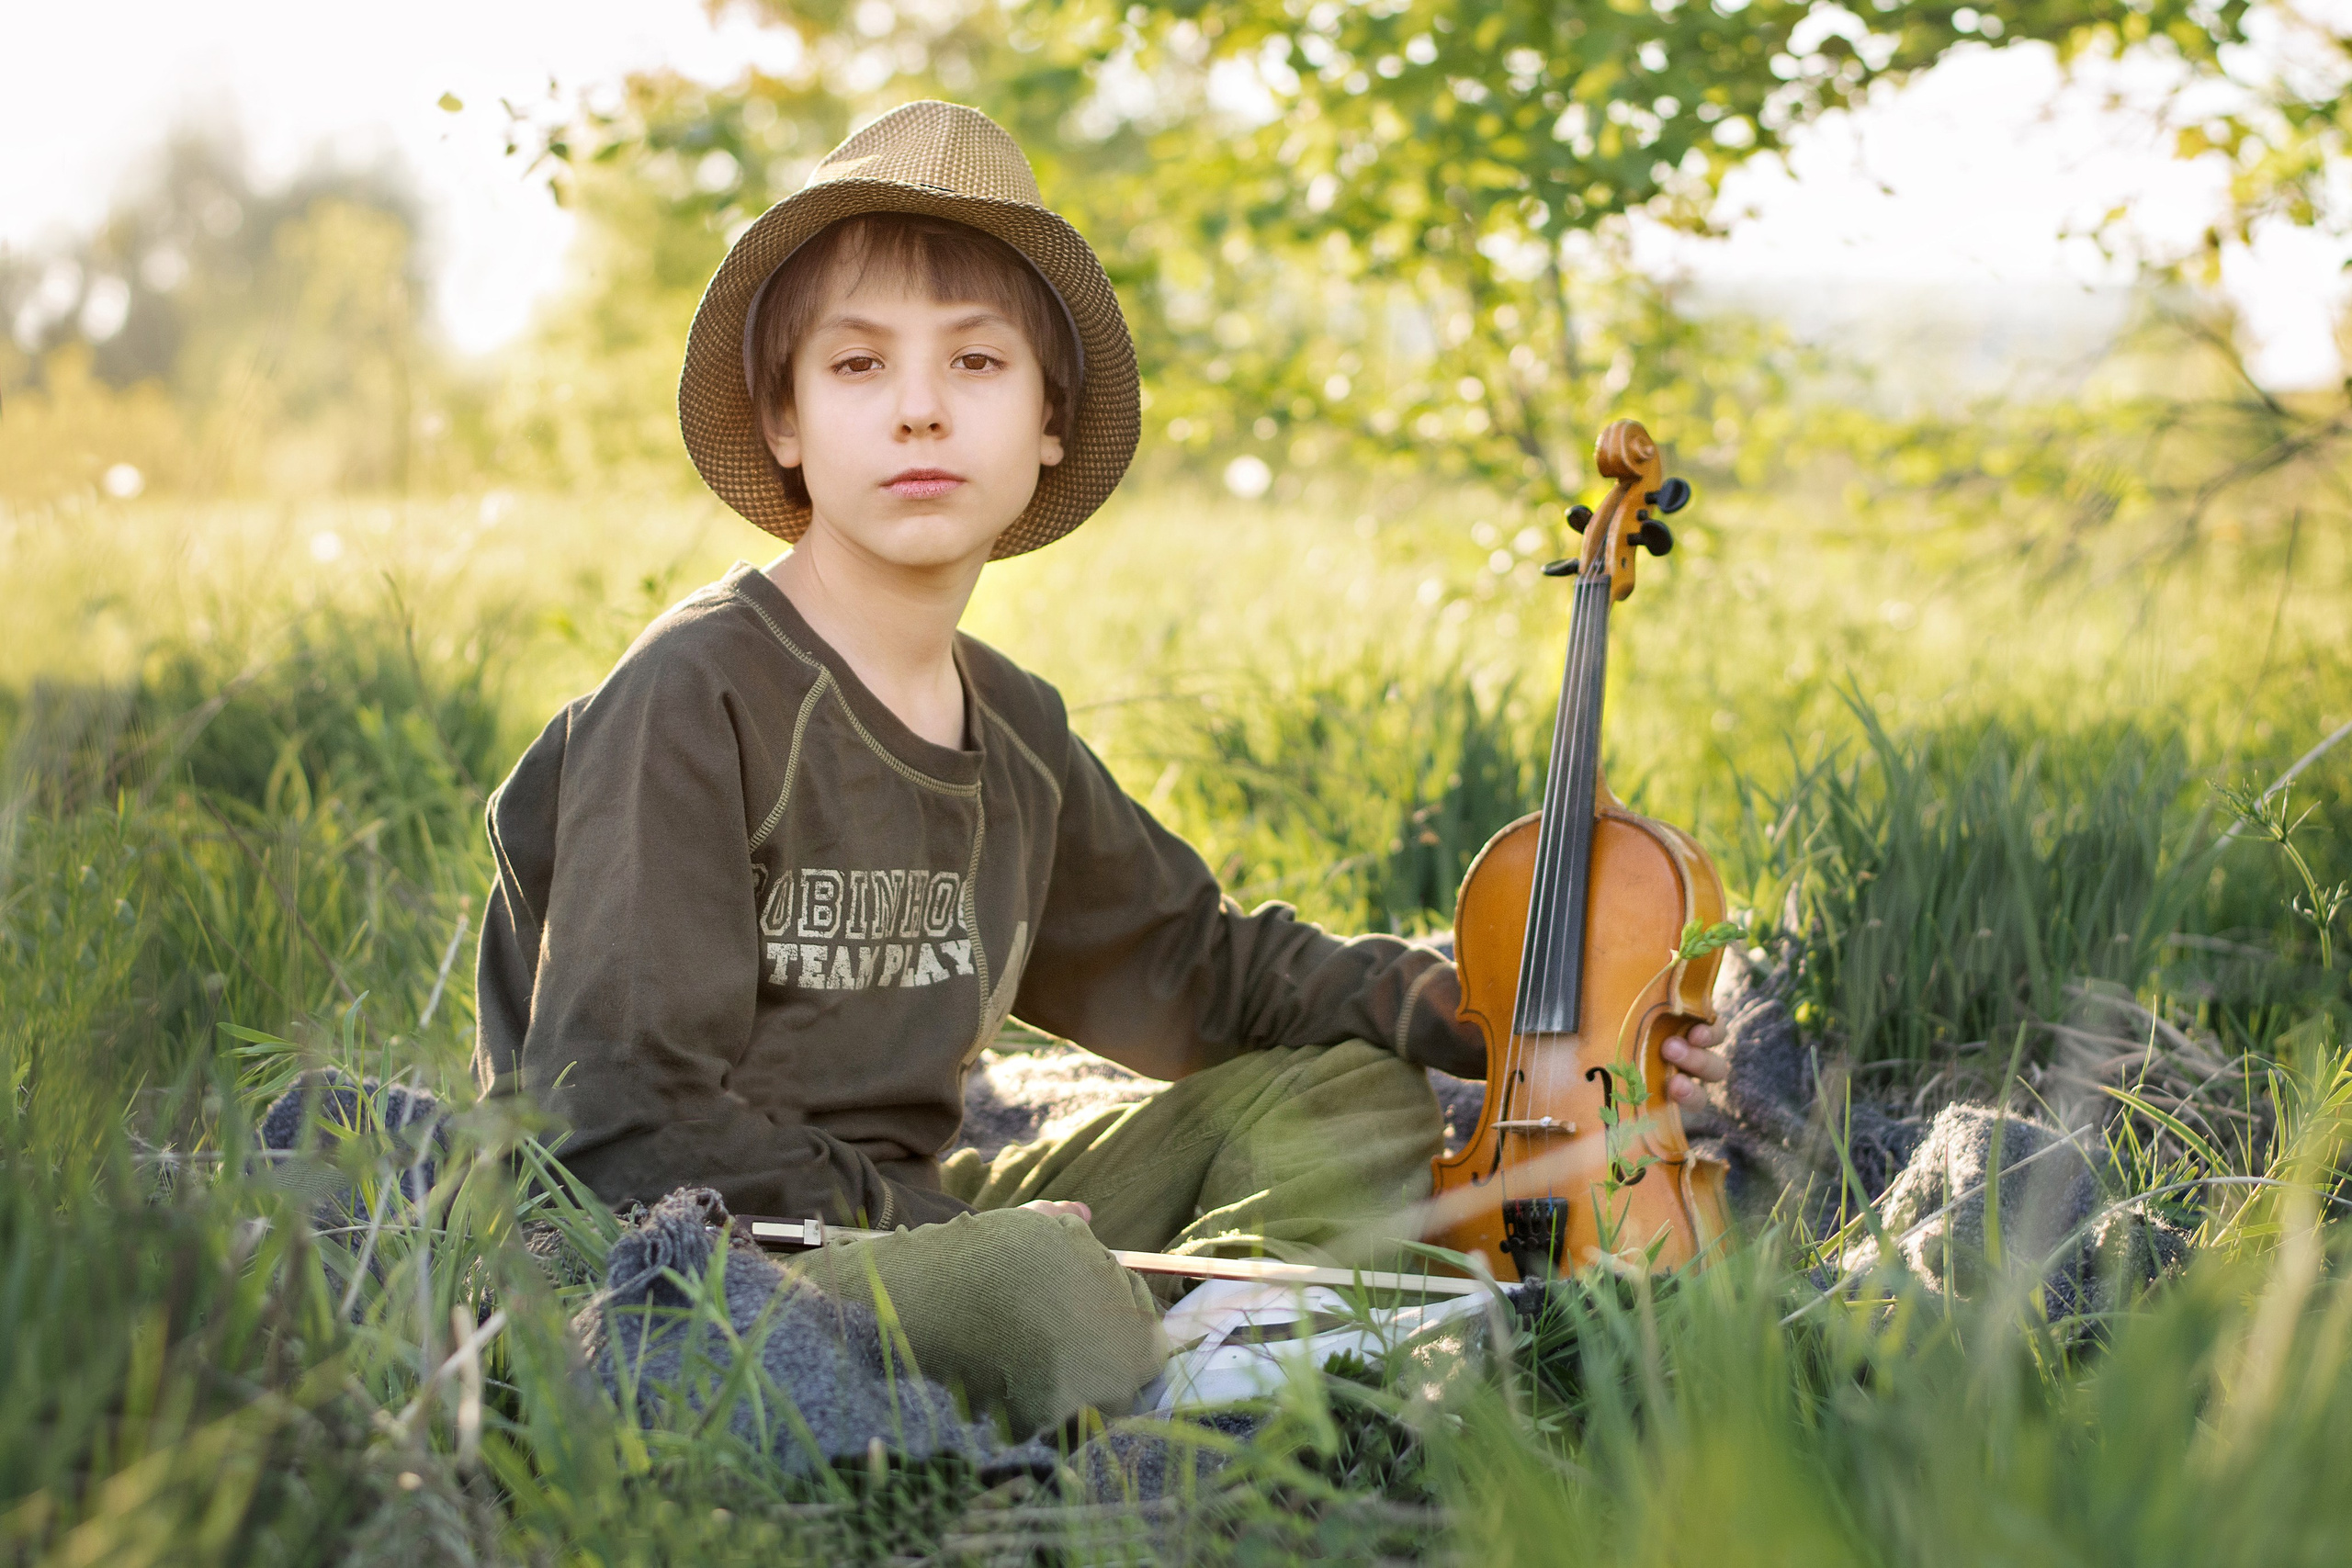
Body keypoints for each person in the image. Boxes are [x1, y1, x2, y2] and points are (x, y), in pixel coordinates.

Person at [473, 100, 1729, 1436]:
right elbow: (620, 1117)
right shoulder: (696, 692)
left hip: (929, 1218)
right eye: (856, 368)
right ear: (783, 422)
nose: (917, 411)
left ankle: (1207, 1347)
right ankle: (1216, 1354)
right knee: (1038, 1284)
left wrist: (1536, 1020)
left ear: (1047, 424)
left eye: (974, 365)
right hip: (677, 1248)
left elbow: (1205, 973)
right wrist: (942, 1228)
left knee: (1345, 1095)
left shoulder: (1011, 730)